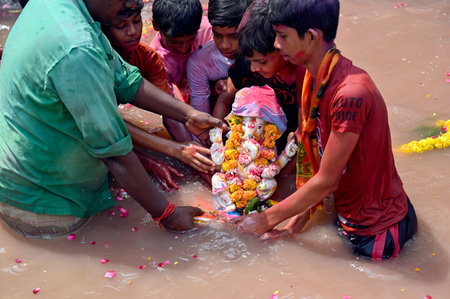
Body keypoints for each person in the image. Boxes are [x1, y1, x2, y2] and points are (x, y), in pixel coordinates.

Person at [0, 0, 226, 239]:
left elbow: (124, 79)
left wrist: (188, 113)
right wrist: (167, 214)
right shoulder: (77, 49)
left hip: (31, 164)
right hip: (45, 199)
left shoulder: (62, 8)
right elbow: (113, 149)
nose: (132, 4)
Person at [231, 0, 417, 260]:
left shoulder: (351, 93)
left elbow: (327, 179)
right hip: (347, 212)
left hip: (378, 230)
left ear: (310, 37)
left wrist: (266, 218)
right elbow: (312, 154)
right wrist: (292, 229)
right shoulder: (310, 78)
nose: (276, 44)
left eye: (283, 36)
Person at [101, 3, 216, 190]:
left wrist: (195, 153)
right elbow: (103, 122)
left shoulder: (148, 59)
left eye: (137, 21)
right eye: (121, 25)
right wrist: (148, 160)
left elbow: (168, 109)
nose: (132, 32)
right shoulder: (93, 61)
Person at [213, 0, 305, 152]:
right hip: (251, 141)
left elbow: (305, 133)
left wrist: (283, 171)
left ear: (284, 49)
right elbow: (224, 98)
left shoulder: (306, 77)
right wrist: (218, 145)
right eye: (250, 60)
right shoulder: (248, 62)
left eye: (261, 62)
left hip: (290, 146)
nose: (254, 68)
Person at [186, 0, 252, 115]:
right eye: (217, 35)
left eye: (234, 36)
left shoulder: (265, 53)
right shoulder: (199, 63)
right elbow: (200, 114)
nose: (225, 45)